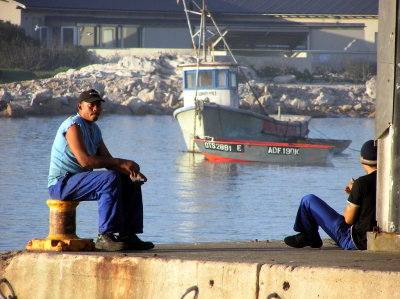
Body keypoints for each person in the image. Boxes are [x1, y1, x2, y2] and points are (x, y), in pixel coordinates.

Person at [47, 88, 154, 251]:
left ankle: (128, 235)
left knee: (127, 180)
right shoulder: (73, 126)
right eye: (91, 105)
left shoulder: (95, 130)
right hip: (62, 183)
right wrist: (122, 162)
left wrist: (131, 173)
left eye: (98, 105)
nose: (96, 109)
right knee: (110, 178)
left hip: (81, 181)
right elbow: (85, 161)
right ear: (80, 107)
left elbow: (109, 162)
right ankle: (105, 236)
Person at [284, 140, 377, 250]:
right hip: (378, 240)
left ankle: (309, 236)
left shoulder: (361, 183)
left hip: (355, 241)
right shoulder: (393, 182)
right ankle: (310, 237)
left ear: (362, 159)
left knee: (308, 200)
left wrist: (354, 192)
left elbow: (348, 220)